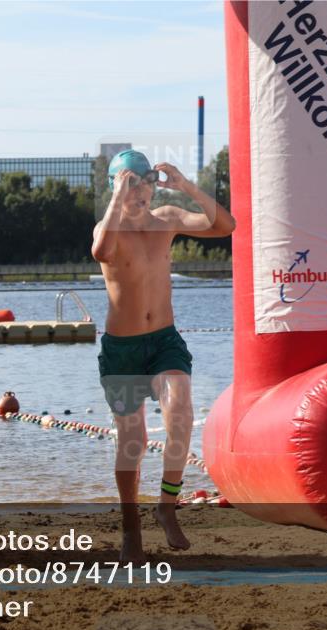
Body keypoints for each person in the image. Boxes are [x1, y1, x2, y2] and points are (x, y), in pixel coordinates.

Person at [92, 149, 236, 563]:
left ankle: (167, 506)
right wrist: (118, 199)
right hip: (122, 350)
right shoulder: (108, 226)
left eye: (146, 182)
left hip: (164, 341)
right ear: (118, 187)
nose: (142, 191)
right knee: (132, 441)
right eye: (132, 183)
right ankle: (130, 526)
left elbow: (225, 226)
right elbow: (101, 251)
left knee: (181, 411)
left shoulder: (167, 219)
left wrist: (186, 186)